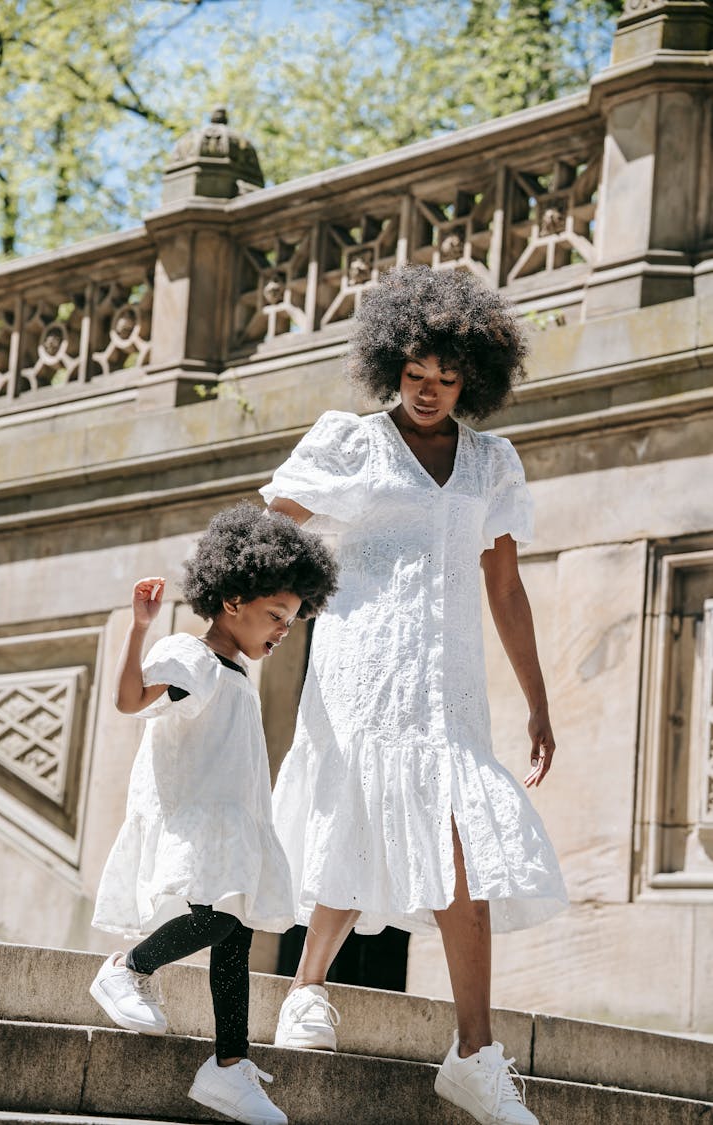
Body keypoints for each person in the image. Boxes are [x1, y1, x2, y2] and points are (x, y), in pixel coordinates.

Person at [261, 266, 568, 1125]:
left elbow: (505, 588)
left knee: (458, 838)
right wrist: (253, 618)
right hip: (360, 668)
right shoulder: (351, 443)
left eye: (447, 379)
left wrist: (538, 701)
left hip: (451, 686)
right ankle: (306, 989)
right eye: (415, 375)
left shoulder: (491, 464)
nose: (429, 393)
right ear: (391, 365)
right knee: (359, 813)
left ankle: (475, 1054)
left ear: (473, 377)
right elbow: (272, 531)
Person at [89, 503, 338, 1125]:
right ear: (233, 600)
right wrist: (141, 629)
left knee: (236, 937)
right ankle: (127, 967)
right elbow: (127, 701)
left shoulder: (233, 674)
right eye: (276, 616)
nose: (283, 631)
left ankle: (228, 1068)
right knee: (220, 922)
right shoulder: (193, 659)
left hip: (234, 822)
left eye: (292, 620)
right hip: (198, 816)